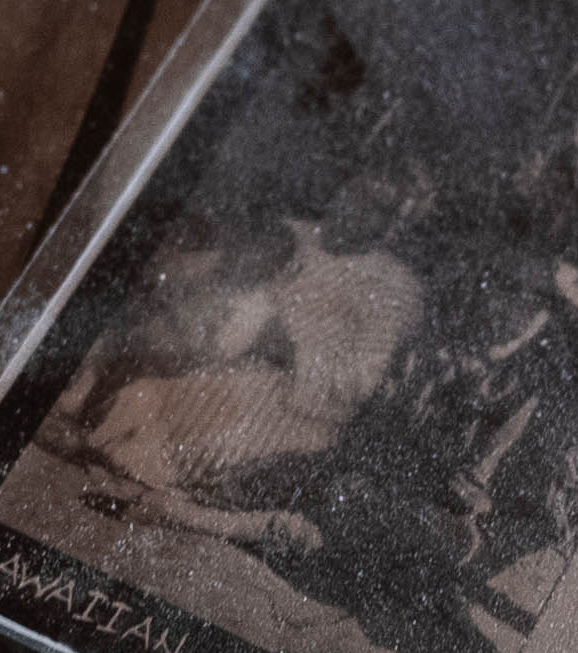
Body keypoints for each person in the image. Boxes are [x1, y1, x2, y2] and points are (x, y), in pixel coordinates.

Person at [55, 179, 433, 559]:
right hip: (236, 377)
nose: (355, 209)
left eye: (377, 209)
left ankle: (169, 504)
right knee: (140, 402)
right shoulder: (293, 238)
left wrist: (293, 351)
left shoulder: (393, 288)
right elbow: (232, 307)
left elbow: (364, 382)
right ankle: (138, 479)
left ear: (391, 225)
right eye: (355, 193)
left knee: (202, 459)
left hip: (298, 411)